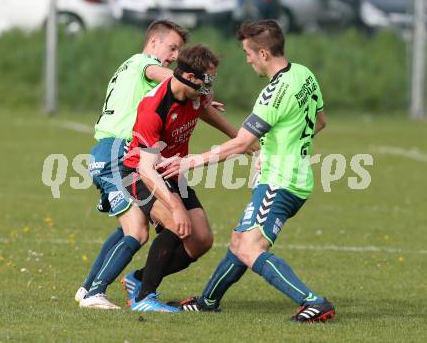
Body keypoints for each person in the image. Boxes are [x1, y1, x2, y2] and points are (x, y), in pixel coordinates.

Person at [161, 20, 335, 322]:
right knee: (240, 240)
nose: (248, 59)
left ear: (264, 53)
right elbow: (320, 122)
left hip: (280, 182)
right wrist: (284, 146)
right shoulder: (304, 74)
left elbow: (240, 143)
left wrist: (191, 161)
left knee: (249, 246)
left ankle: (313, 302)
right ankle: (208, 301)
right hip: (295, 176)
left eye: (248, 53)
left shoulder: (273, 94)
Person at [77, 20, 237, 309]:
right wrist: (197, 83)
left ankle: (92, 287)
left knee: (134, 226)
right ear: (153, 42)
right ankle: (103, 294)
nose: (175, 54)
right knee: (138, 229)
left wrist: (237, 136)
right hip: (119, 150)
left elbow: (198, 107)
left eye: (179, 50)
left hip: (133, 152)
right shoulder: (143, 63)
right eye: (172, 47)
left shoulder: (152, 80)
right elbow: (162, 74)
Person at [121, 44, 225, 312]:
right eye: (208, 79)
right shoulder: (153, 107)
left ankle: (139, 279)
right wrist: (175, 206)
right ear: (190, 77)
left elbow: (203, 109)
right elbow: (145, 168)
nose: (210, 86)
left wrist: (241, 139)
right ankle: (144, 299)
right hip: (138, 172)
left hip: (171, 172)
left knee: (201, 240)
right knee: (176, 225)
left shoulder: (196, 93)